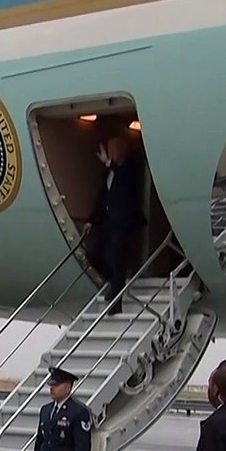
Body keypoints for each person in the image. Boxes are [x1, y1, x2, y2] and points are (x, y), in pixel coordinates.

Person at [88, 134, 146, 315]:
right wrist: (91, 220)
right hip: (107, 221)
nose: (111, 153)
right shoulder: (108, 171)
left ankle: (116, 300)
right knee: (94, 254)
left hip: (123, 223)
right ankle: (112, 282)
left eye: (113, 150)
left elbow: (124, 183)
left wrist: (109, 163)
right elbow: (102, 197)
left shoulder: (130, 168)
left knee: (117, 258)